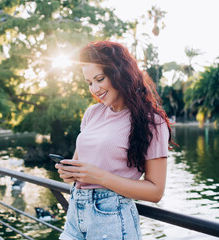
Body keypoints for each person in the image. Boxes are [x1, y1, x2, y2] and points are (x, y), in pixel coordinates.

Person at [55, 41, 174, 240]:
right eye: (89, 82)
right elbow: (80, 168)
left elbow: (155, 191)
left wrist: (100, 177)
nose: (94, 88)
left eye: (99, 79)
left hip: (112, 222)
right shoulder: (92, 113)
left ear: (119, 73)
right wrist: (69, 172)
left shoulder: (152, 122)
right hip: (75, 215)